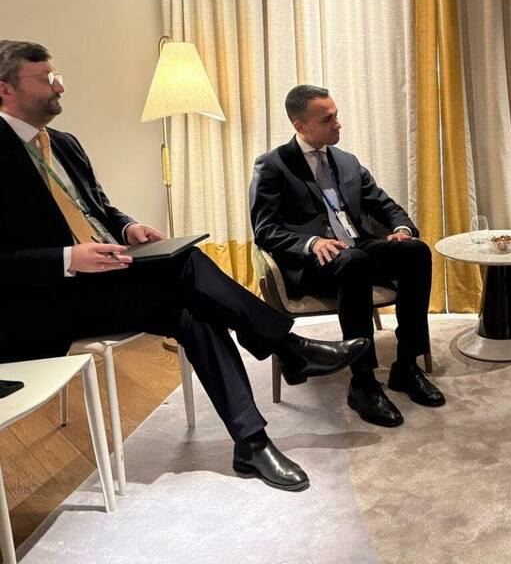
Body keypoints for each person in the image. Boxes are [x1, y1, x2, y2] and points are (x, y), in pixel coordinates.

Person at [0, 40, 370, 492]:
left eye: (57, 75)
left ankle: (252, 443)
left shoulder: (63, 143)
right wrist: (66, 258)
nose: (60, 86)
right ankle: (289, 349)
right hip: (46, 299)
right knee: (187, 268)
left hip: (108, 277)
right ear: (5, 89)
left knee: (194, 311)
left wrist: (129, 227)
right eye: (46, 79)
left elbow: (100, 208)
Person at [249, 85, 442, 429]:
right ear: (300, 126)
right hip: (315, 262)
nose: (338, 123)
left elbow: (384, 204)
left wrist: (401, 228)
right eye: (327, 119)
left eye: (336, 115)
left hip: (357, 246)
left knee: (415, 252)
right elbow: (265, 230)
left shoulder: (346, 161)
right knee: (354, 262)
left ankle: (406, 366)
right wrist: (311, 242)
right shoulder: (273, 166)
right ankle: (363, 383)